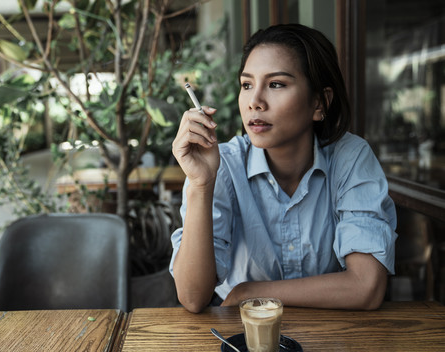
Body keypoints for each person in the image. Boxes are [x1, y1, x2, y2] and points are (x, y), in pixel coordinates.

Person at [170, 24, 397, 313]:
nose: (254, 102)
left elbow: (366, 287)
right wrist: (201, 184)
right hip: (240, 335)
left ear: (319, 102)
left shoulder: (350, 158)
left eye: (276, 84)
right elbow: (192, 297)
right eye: (247, 85)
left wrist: (248, 292)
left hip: (330, 334)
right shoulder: (222, 165)